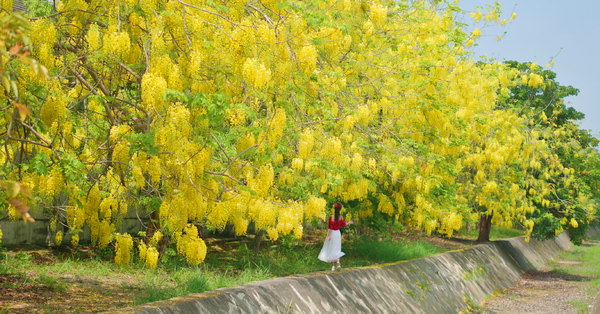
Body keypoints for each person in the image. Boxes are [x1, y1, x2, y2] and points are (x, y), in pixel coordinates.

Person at [318, 203, 354, 271]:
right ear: (340, 210)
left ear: (334, 209)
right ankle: (338, 262)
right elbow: (343, 224)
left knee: (331, 248)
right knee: (337, 248)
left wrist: (328, 236)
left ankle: (333, 267)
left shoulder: (332, 217)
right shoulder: (341, 217)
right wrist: (349, 222)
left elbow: (331, 227)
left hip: (332, 233)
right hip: (337, 233)